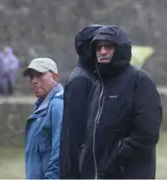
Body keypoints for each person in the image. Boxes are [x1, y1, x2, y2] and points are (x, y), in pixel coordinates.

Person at [78, 25, 162, 179]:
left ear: (120, 48)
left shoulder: (139, 81)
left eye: (108, 46)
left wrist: (116, 158)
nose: (102, 51)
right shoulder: (99, 85)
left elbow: (147, 134)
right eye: (98, 47)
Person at [59, 24, 104, 179]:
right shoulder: (80, 80)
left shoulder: (93, 76)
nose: (102, 51)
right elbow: (75, 135)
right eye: (97, 46)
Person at [23, 57, 63, 179]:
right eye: (31, 77)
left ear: (55, 77)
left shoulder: (57, 105)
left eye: (40, 75)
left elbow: (60, 151)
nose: (34, 81)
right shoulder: (41, 107)